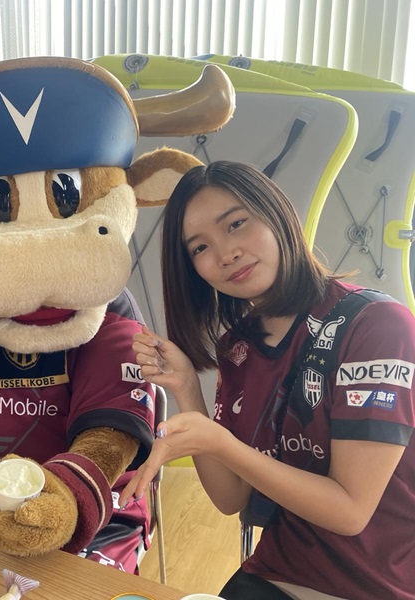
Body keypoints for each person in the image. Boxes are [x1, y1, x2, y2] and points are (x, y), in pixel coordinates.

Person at [121, 161, 415, 599]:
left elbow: (350, 511)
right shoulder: (237, 348)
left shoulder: (378, 326)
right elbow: (231, 498)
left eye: (236, 223)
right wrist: (186, 390)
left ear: (276, 213)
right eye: (200, 247)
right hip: (278, 570)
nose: (226, 253)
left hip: (379, 585)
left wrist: (221, 443)